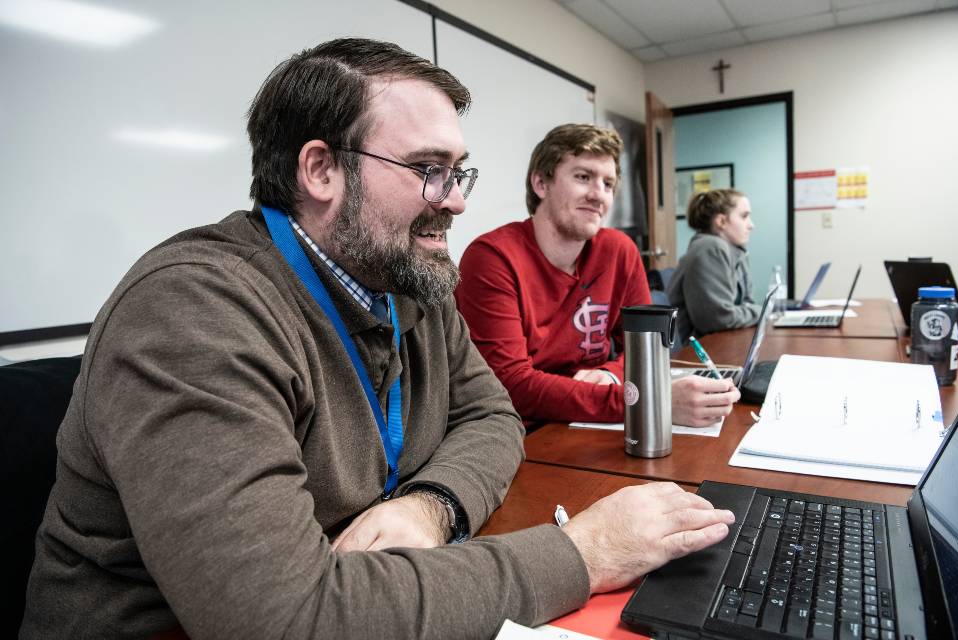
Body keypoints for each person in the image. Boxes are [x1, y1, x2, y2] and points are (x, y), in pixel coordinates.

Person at [20, 40, 734, 639]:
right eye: (429, 171)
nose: (456, 200)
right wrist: (582, 552)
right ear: (321, 169)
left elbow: (489, 416)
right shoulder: (192, 312)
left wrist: (432, 504)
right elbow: (285, 620)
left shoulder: (408, 279)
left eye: (458, 172)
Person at [455, 124, 740, 426]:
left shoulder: (619, 251)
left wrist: (609, 374)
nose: (598, 195)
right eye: (583, 177)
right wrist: (651, 402)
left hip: (596, 417)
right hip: (526, 428)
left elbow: (650, 346)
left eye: (608, 184)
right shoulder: (492, 258)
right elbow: (511, 385)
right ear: (541, 183)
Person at [667, 188, 761, 341]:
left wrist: (753, 311)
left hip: (718, 342)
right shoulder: (711, 248)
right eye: (744, 216)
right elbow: (720, 320)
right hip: (695, 353)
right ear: (721, 221)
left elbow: (747, 302)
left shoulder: (735, 251)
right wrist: (762, 312)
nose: (751, 225)